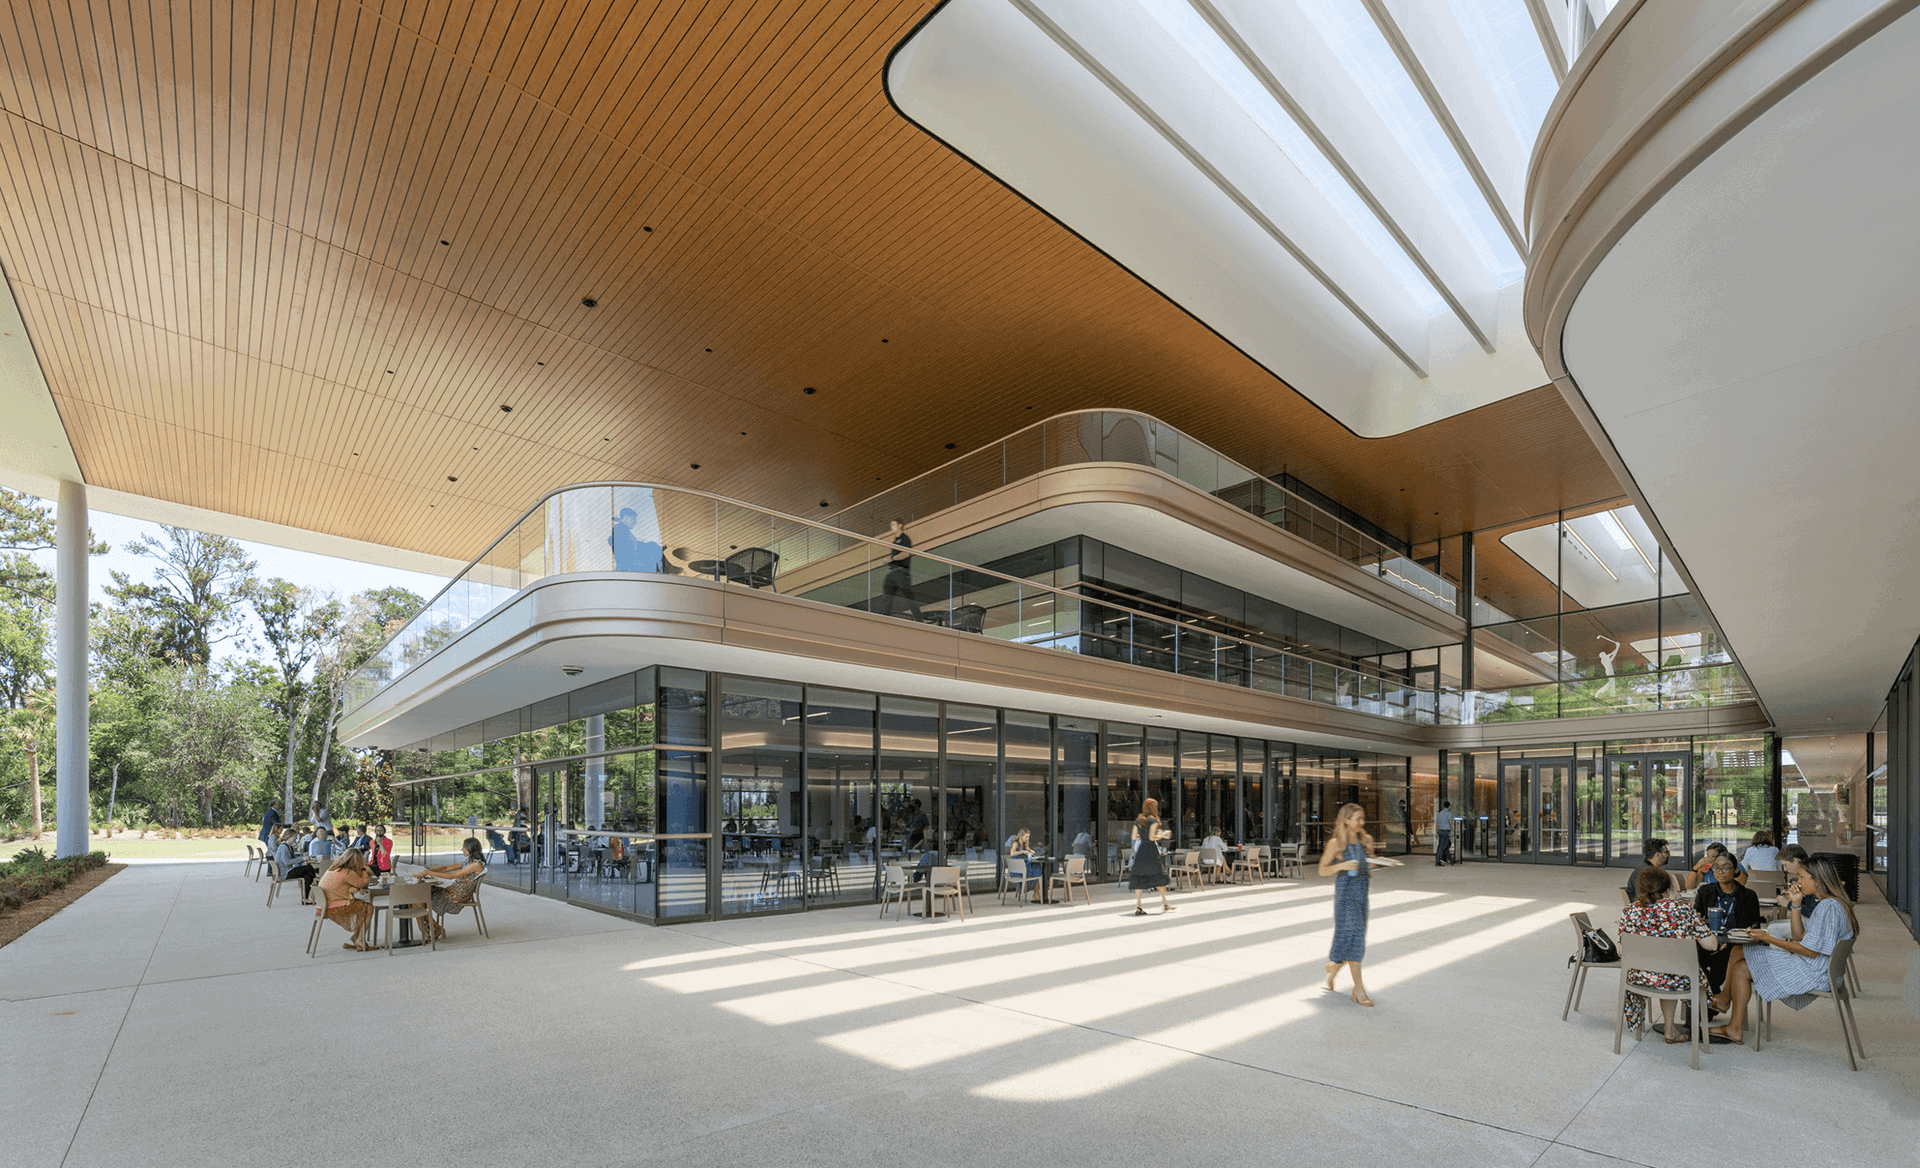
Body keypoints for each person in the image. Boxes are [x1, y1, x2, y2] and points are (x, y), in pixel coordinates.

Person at [1714, 858, 1858, 1045]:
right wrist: (1796, 904)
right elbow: (1799, 936)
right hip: (1819, 968)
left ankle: (1732, 1022)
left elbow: (1810, 951)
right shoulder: (1833, 904)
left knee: (1742, 965)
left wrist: (1766, 938)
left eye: (1801, 877)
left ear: (1818, 880)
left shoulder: (1828, 907)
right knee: (1740, 948)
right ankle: (1726, 1004)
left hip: (1813, 972)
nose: (1797, 882)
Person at [1618, 865, 1723, 1042]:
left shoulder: (1630, 911)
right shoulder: (1682, 909)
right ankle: (1673, 1030)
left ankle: (1670, 1029)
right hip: (1680, 977)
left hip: (1639, 977)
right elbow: (1711, 945)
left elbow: (1623, 951)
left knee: (1665, 970)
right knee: (1671, 970)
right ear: (1667, 888)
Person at [1321, 803, 1377, 1006]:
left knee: (1351, 939)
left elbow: (1368, 870)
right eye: (1357, 819)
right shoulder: (1336, 844)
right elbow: (1322, 870)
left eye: (1363, 819)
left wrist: (1374, 865)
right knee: (1355, 939)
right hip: (1345, 899)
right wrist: (1341, 865)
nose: (1361, 823)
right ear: (1346, 820)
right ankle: (1359, 990)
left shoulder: (1366, 841)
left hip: (1362, 897)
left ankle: (1333, 969)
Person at [1695, 854, 1762, 1003]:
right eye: (1716, 868)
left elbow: (1755, 925)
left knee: (1717, 964)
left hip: (1735, 947)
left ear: (1735, 870)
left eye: (1726, 868)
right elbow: (1697, 919)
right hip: (1709, 943)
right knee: (1694, 961)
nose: (1720, 872)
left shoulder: (1748, 896)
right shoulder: (1705, 892)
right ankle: (1714, 999)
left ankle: (1704, 1011)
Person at [416, 838, 488, 942]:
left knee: (418, 900)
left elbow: (451, 876)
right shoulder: (468, 862)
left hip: (454, 899)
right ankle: (434, 929)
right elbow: (446, 869)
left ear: (471, 849)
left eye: (464, 847)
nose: (462, 849)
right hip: (450, 892)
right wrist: (426, 871)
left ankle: (432, 929)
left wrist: (428, 873)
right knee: (417, 898)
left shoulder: (476, 865)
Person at [315, 848, 374, 951]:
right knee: (368, 907)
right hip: (334, 907)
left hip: (323, 906)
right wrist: (364, 869)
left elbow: (341, 886)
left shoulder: (333, 869)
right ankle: (359, 939)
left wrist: (353, 888)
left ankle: (356, 937)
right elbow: (364, 883)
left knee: (362, 907)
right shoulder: (348, 873)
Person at [1129, 798, 1173, 915]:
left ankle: (1139, 906)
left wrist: (1142, 837)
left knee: (1139, 878)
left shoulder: (1139, 820)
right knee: (1158, 876)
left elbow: (1134, 836)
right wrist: (1163, 834)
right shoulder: (1153, 820)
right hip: (1151, 851)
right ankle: (1165, 903)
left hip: (1142, 850)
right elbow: (1151, 838)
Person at [878, 518, 921, 620]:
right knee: (887, 594)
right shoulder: (894, 542)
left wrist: (891, 559)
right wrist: (888, 561)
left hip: (901, 571)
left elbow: (905, 554)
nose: (891, 527)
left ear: (900, 525)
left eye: (893, 525)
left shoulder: (905, 538)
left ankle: (919, 619)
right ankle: (884, 618)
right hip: (892, 572)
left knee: (908, 595)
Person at [608, 505, 662, 573]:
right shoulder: (620, 529)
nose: (635, 521)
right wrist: (650, 545)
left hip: (628, 567)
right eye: (633, 519)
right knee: (655, 549)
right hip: (627, 568)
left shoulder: (622, 530)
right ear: (626, 517)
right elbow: (632, 546)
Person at [274, 828, 319, 904]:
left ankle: (305, 898)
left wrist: (302, 860)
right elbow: (287, 862)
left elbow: (294, 860)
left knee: (307, 875)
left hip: (287, 871)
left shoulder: (289, 847)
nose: (296, 838)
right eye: (295, 836)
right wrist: (302, 859)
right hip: (285, 873)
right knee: (309, 868)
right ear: (290, 836)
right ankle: (316, 883)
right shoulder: (283, 847)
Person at [1625, 838, 1678, 903]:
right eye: (1666, 852)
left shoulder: (1645, 869)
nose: (1668, 855)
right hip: (1645, 908)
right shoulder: (1645, 873)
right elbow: (1645, 898)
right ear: (1657, 854)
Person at [1434, 800, 1455, 866]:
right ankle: (1437, 861)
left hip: (1440, 831)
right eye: (1450, 805)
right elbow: (1451, 823)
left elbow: (1437, 823)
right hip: (1445, 831)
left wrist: (1436, 832)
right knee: (1442, 846)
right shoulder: (1449, 813)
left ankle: (1451, 861)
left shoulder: (1440, 813)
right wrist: (1455, 831)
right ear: (1449, 806)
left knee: (1446, 845)